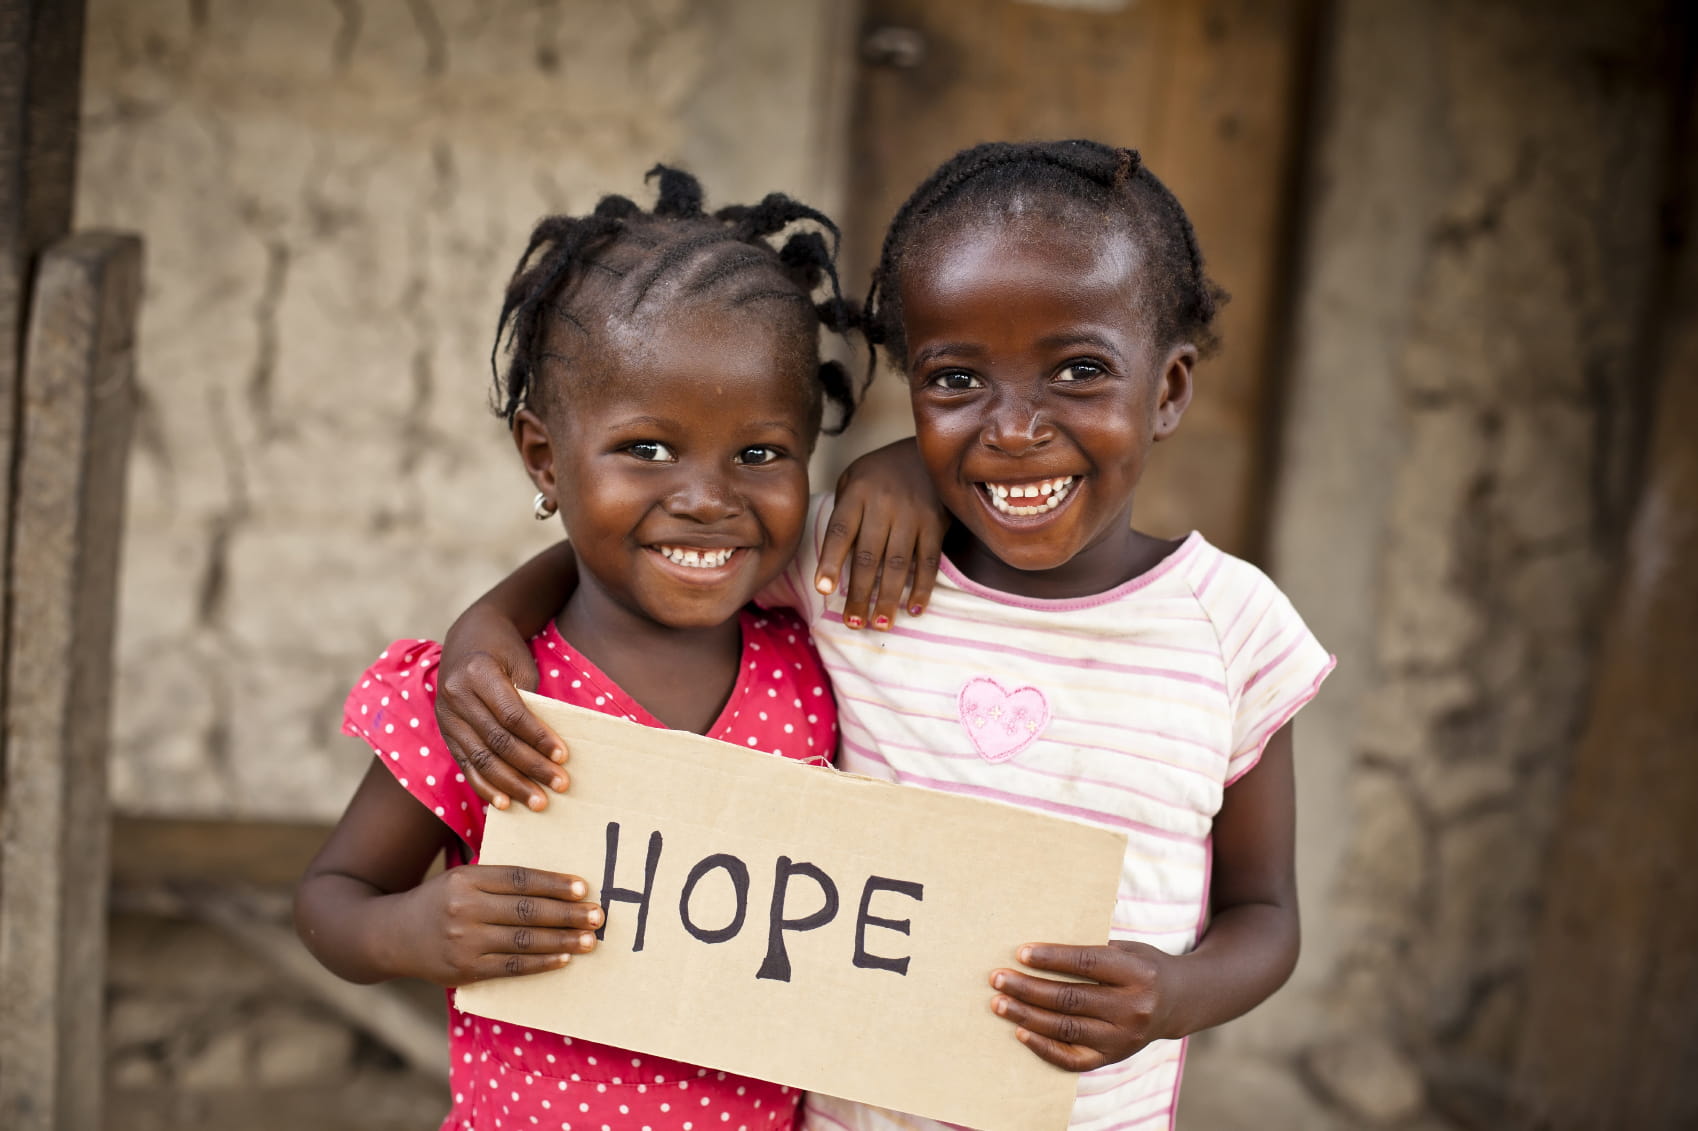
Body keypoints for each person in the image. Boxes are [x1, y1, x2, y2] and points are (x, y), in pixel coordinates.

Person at [435, 140, 1335, 1131]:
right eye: (956, 382)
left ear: (1167, 391)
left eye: (1078, 372)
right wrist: (490, 624)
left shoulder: (1231, 630)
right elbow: (649, 545)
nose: (1016, 429)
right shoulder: (855, 567)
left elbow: (1268, 917)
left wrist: (1174, 995)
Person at [293, 166, 862, 1131]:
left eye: (761, 453)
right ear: (545, 458)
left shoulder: (820, 674)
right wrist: (411, 930)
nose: (705, 496)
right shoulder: (490, 702)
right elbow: (330, 900)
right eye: (647, 449)